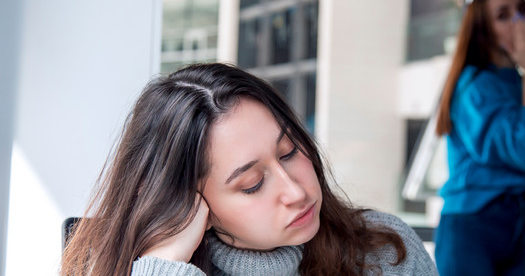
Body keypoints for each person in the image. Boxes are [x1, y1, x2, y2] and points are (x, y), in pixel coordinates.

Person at [60, 63, 438, 276]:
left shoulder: (384, 252)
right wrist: (165, 267)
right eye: (252, 184)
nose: (297, 192)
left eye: (289, 151)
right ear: (188, 201)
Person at [433, 0, 525, 276]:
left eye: (523, 10)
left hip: (513, 222)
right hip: (473, 225)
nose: (520, 21)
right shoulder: (476, 85)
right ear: (484, 31)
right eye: (503, 15)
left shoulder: (519, 82)